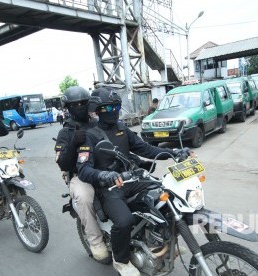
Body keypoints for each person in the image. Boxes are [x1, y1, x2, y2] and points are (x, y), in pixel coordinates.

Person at [76, 88, 184, 276]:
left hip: (132, 179)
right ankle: (121, 260)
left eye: (116, 106)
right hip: (109, 187)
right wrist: (102, 175)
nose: (113, 111)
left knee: (166, 199)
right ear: (98, 110)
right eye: (107, 108)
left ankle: (163, 242)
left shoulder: (122, 128)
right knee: (124, 221)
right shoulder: (90, 135)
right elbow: (83, 169)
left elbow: (145, 148)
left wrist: (174, 153)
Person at [54, 86, 110, 263]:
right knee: (85, 196)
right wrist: (72, 144)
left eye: (83, 103)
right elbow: (62, 163)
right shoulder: (65, 132)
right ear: (68, 107)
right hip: (80, 175)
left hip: (105, 169)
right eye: (75, 104)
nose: (80, 106)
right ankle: (96, 242)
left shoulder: (98, 123)